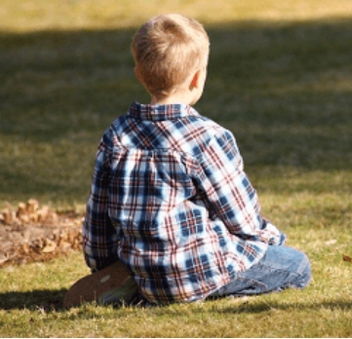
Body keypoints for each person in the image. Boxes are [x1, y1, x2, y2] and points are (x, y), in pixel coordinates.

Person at [66, 13, 311, 307]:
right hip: (199, 270)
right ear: (197, 77)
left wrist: (103, 266)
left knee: (159, 271)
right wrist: (269, 239)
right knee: (297, 265)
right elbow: (240, 217)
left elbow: (98, 216)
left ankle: (135, 290)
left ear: (139, 74)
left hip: (142, 271)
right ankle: (207, 292)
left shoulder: (116, 136)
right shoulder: (206, 137)